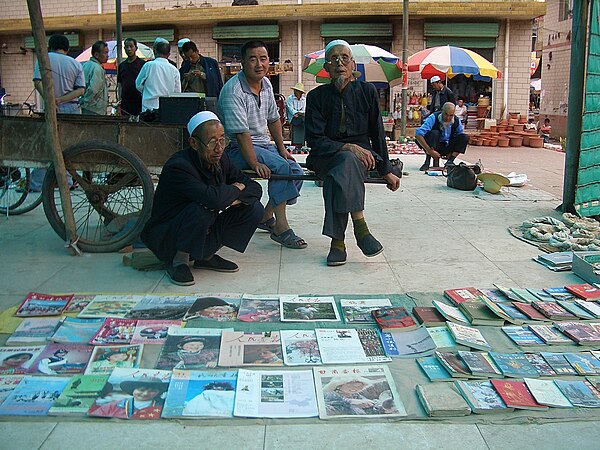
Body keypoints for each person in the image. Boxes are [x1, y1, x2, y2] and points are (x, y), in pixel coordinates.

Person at [305, 39, 401, 266]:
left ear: (353, 65)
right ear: (326, 68)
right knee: (345, 161)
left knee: (338, 174)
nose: (339, 62)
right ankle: (361, 227)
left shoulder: (367, 92)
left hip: (363, 157)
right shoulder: (316, 97)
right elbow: (314, 140)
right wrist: (347, 146)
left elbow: (377, 134)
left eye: (344, 58)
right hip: (326, 155)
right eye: (333, 59)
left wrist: (385, 170)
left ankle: (337, 242)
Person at [141, 111, 264, 286]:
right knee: (203, 209)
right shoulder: (179, 166)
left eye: (222, 140)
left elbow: (253, 187)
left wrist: (229, 195)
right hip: (169, 234)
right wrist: (234, 190)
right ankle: (178, 261)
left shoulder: (221, 159)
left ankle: (205, 255)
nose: (219, 147)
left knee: (254, 208)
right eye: (212, 141)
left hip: (200, 225)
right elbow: (212, 200)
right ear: (194, 143)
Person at [218, 40, 307, 250]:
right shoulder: (234, 90)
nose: (259, 64)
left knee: (295, 169)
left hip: (262, 145)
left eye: (263, 58)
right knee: (282, 169)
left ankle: (267, 216)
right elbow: (240, 134)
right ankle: (281, 228)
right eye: (253, 59)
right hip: (235, 149)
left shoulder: (266, 84)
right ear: (242, 63)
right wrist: (253, 162)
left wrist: (282, 149)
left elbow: (273, 120)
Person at [31, 34, 84, 191]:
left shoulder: (44, 59)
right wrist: (61, 99)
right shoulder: (75, 63)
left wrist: (51, 100)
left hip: (51, 108)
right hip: (72, 108)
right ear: (67, 48)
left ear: (50, 46)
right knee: (69, 147)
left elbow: (37, 81)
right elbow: (80, 89)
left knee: (48, 145)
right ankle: (66, 182)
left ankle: (37, 183)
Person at [416, 101, 469, 171]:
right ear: (442, 111)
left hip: (447, 146)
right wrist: (429, 150)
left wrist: (452, 152)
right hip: (434, 146)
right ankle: (427, 161)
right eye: (446, 114)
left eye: (451, 115)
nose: (448, 118)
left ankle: (450, 162)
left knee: (464, 137)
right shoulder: (433, 117)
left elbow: (460, 137)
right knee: (434, 133)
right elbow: (418, 134)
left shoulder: (456, 120)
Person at [135, 38, 181, 112]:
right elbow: (177, 92)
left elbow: (138, 84)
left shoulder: (148, 65)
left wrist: (147, 91)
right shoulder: (174, 70)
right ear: (169, 54)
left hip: (148, 107)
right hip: (167, 109)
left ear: (154, 51)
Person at [89, 378, 168, 419]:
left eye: (152, 391)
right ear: (133, 390)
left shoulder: (164, 407)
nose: (145, 393)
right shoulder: (112, 407)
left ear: (158, 392)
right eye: (141, 390)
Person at [322, 376, 397, 416]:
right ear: (340, 385)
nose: (354, 389)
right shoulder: (331, 395)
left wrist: (382, 406)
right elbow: (327, 406)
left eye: (359, 387)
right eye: (352, 386)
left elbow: (371, 405)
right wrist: (350, 402)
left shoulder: (356, 395)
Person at [117, 38, 145, 116]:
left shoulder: (143, 65)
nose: (129, 49)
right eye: (126, 47)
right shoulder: (122, 66)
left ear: (136, 48)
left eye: (131, 46)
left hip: (138, 102)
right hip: (125, 103)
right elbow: (120, 85)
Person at [80, 40, 109, 115]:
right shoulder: (97, 68)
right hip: (94, 109)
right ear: (96, 55)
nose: (107, 55)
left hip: (87, 106)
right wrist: (86, 101)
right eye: (105, 53)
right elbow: (93, 89)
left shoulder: (86, 65)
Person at [286, 82, 307, 148]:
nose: (295, 92)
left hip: (301, 116)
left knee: (304, 119)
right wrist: (296, 113)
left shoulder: (304, 100)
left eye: (297, 91)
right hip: (293, 117)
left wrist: (299, 113)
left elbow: (304, 109)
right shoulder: (290, 98)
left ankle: (301, 141)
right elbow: (290, 109)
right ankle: (297, 141)